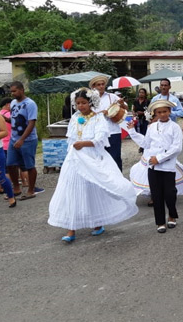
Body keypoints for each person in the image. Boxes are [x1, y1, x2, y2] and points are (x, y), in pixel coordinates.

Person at [48, 88, 138, 243]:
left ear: (90, 103)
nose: (80, 106)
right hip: (75, 158)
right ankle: (71, 229)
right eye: (78, 104)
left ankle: (98, 222)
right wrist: (73, 151)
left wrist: (85, 143)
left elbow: (101, 139)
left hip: (92, 156)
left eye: (83, 103)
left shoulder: (98, 118)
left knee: (94, 189)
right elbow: (70, 137)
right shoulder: (75, 117)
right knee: (71, 190)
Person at [128, 100, 183, 233]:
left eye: (165, 111)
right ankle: (160, 222)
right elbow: (146, 143)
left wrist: (159, 158)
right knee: (156, 195)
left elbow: (176, 148)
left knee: (170, 193)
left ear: (169, 112)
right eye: (159, 112)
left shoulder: (175, 127)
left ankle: (172, 215)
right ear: (155, 114)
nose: (162, 114)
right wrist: (132, 132)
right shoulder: (152, 127)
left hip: (167, 166)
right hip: (152, 167)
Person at [6, 81, 41, 200]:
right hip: (14, 138)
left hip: (28, 140)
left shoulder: (30, 104)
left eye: (15, 91)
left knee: (29, 165)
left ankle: (31, 190)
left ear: (22, 90)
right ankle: (16, 188)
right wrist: (5, 119)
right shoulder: (12, 103)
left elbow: (31, 123)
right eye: (11, 91)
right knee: (10, 164)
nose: (13, 93)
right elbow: (14, 120)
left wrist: (22, 139)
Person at [90, 75, 127, 171]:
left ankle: (118, 179)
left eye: (103, 84)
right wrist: (101, 113)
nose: (101, 86)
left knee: (115, 157)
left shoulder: (112, 96)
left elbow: (125, 108)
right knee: (100, 157)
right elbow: (87, 114)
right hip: (97, 133)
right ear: (94, 87)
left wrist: (122, 104)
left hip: (113, 131)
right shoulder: (90, 99)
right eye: (98, 85)